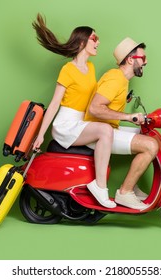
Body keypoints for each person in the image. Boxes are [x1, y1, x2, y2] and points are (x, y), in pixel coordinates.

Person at [31, 14, 116, 208]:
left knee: (109, 130)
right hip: (66, 124)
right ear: (82, 42)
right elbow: (54, 104)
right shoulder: (67, 70)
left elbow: (94, 98)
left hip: (83, 121)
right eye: (94, 38)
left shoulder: (91, 67)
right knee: (105, 131)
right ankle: (100, 188)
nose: (98, 42)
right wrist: (41, 134)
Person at [85, 37, 159, 210]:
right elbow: (94, 108)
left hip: (109, 129)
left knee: (145, 136)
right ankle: (125, 193)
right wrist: (128, 116)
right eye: (143, 58)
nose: (146, 62)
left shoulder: (122, 80)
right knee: (150, 146)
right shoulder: (115, 78)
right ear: (131, 59)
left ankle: (131, 186)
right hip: (98, 134)